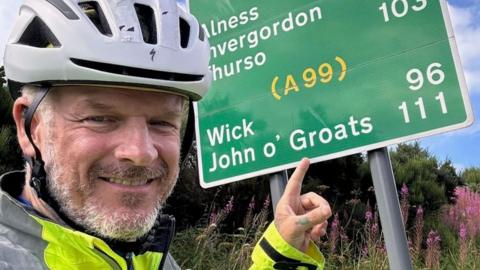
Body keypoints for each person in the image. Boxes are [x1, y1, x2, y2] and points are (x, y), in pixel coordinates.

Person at [0, 0, 331, 269]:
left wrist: (282, 254)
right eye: (99, 118)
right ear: (29, 128)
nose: (141, 152)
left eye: (162, 122)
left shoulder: (146, 255)